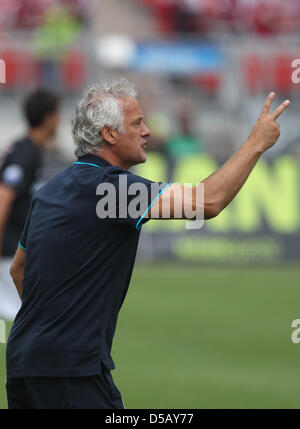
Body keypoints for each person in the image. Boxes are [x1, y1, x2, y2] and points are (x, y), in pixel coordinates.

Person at [5, 79, 289, 409]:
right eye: (137, 123)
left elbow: (18, 270)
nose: (148, 131)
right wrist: (256, 143)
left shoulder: (49, 191)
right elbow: (208, 201)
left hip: (23, 364)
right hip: (72, 371)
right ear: (109, 134)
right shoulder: (110, 191)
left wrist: (49, 328)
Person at [0, 89, 60, 321]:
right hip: (10, 251)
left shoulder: (29, 150)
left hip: (18, 249)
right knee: (21, 317)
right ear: (48, 118)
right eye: (57, 114)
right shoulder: (25, 154)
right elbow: (4, 196)